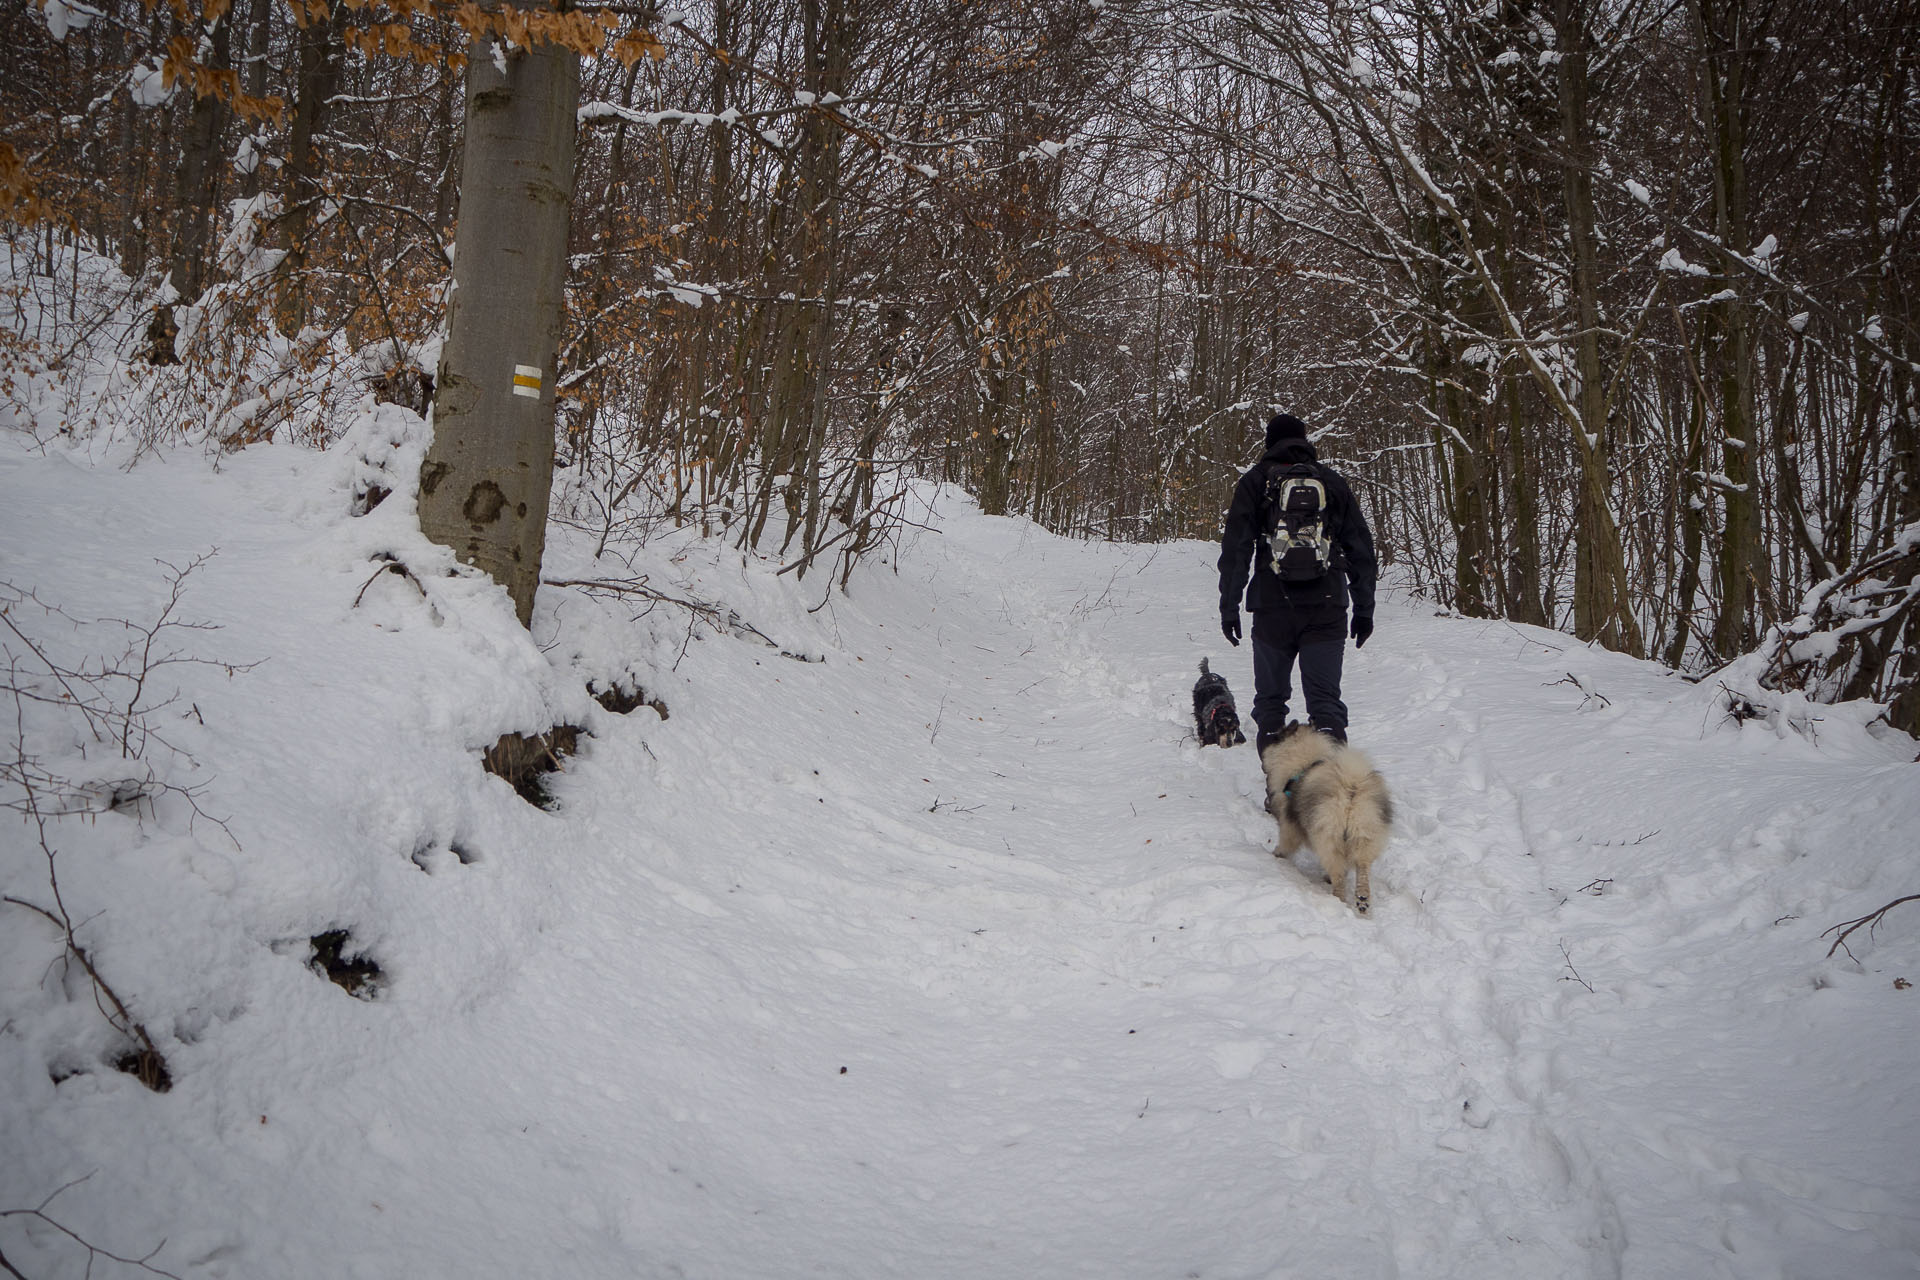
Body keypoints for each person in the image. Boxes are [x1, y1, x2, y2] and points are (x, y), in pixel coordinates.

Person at [1217, 412, 1377, 749]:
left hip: (1271, 607)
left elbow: (1236, 550)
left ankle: (1279, 793)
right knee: (1326, 705)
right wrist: (1364, 609)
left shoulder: (1255, 483)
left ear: (1269, 443)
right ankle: (1330, 792)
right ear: (1305, 441)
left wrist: (1229, 607)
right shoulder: (1331, 482)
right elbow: (1361, 548)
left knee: (1271, 705)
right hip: (1327, 607)